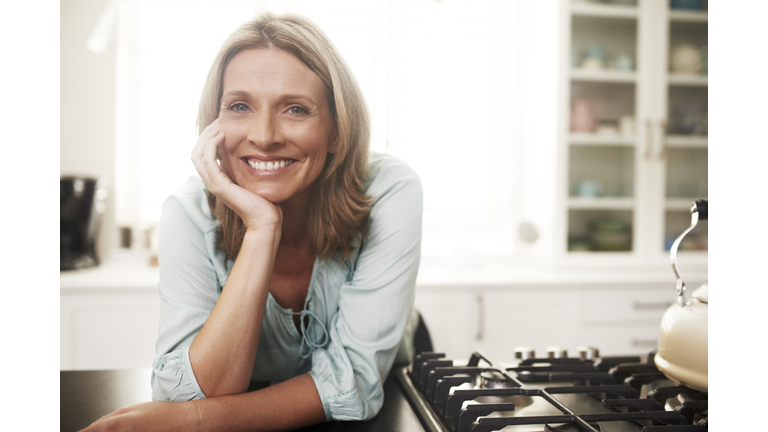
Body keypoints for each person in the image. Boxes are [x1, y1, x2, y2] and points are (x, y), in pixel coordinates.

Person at [81, 12, 422, 431]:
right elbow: (187, 392)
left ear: (336, 129)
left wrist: (198, 419)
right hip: (252, 403)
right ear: (214, 123)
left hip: (395, 390)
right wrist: (262, 228)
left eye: (296, 109)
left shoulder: (390, 190)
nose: (264, 135)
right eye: (240, 106)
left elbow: (354, 385)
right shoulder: (187, 212)